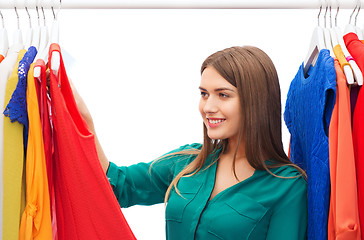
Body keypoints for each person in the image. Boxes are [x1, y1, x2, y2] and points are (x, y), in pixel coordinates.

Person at [71, 46, 307, 239]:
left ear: (255, 102)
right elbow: (118, 186)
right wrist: (85, 124)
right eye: (204, 93)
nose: (208, 107)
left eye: (222, 94)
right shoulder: (188, 161)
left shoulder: (287, 187)